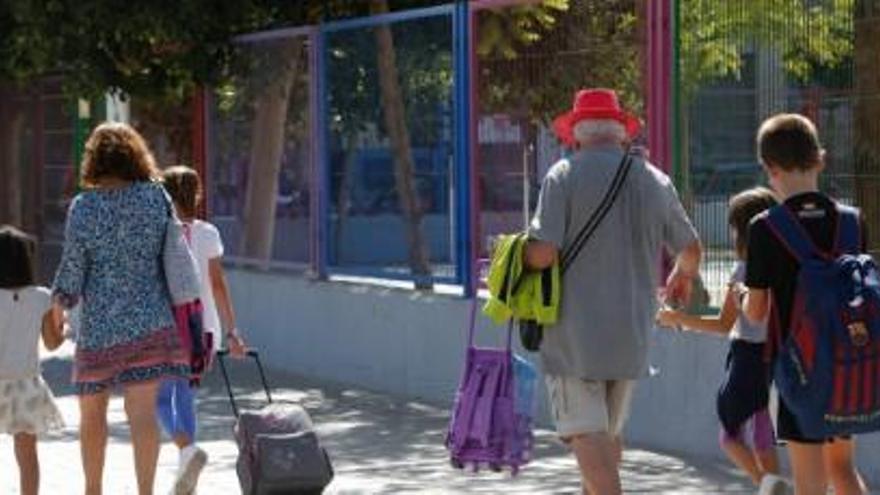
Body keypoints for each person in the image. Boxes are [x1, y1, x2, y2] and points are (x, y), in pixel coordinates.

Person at [524, 88, 702, 495]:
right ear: (621, 132)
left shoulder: (562, 176)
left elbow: (544, 254)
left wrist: (515, 255)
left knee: (585, 436)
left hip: (574, 336)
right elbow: (690, 248)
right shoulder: (655, 180)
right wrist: (682, 275)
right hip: (633, 331)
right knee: (606, 435)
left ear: (576, 134)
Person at [52, 122, 192, 495]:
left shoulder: (84, 206)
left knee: (92, 413)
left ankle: (93, 490)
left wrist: (60, 302)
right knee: (142, 413)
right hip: (150, 320)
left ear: (94, 160)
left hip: (99, 327)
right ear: (136, 156)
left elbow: (74, 265)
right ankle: (145, 491)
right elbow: (174, 253)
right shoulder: (157, 198)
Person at [743, 113, 868, 495]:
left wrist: (743, 298)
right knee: (843, 469)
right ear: (820, 159)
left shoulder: (765, 228)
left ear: (769, 168)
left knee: (809, 486)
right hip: (848, 364)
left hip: (800, 373)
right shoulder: (852, 221)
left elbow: (757, 313)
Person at [657, 187, 787, 493]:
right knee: (762, 433)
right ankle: (771, 485)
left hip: (746, 358)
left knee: (729, 436)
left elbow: (722, 324)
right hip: (774, 358)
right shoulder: (783, 268)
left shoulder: (744, 271)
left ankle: (766, 483)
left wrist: (675, 318)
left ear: (743, 231)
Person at [158, 165, 249, 494]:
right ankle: (187, 470)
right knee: (185, 395)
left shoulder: (158, 231)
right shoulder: (208, 233)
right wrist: (232, 330)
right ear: (196, 194)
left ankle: (186, 451)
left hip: (165, 326)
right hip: (203, 329)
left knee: (158, 400)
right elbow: (218, 285)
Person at [0, 225, 65, 495]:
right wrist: (62, 327)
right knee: (27, 456)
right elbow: (52, 343)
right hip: (27, 385)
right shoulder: (42, 297)